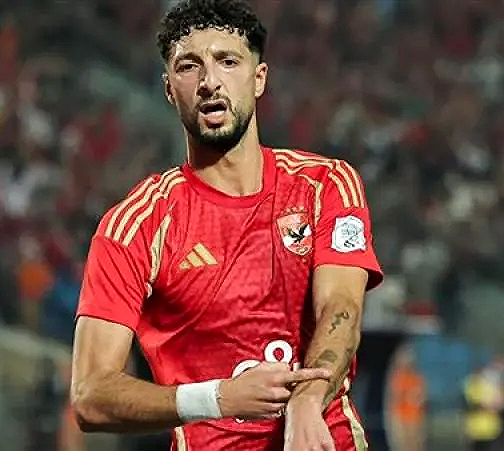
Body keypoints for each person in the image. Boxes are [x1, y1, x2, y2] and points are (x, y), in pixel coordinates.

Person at [70, 0, 384, 450]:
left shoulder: (324, 186)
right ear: (168, 89)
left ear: (259, 78)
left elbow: (341, 307)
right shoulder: (136, 226)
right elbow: (89, 395)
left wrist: (306, 400)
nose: (209, 82)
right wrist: (217, 399)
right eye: (189, 66)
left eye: (228, 61)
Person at [387, 347, 425, 451]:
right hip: (401, 417)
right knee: (402, 444)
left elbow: (420, 397)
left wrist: (414, 397)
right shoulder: (398, 378)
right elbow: (395, 397)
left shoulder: (416, 378)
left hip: (414, 417)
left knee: (415, 443)